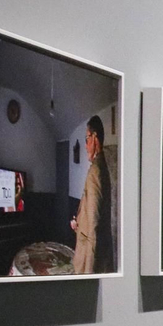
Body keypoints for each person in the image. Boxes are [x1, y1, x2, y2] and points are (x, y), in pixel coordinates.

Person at [70, 115, 113, 273]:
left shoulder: (96, 171)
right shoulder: (100, 167)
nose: (86, 146)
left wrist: (89, 273)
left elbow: (94, 222)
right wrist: (79, 222)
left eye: (86, 139)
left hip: (88, 259)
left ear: (94, 138)